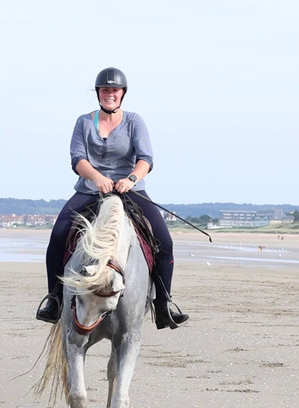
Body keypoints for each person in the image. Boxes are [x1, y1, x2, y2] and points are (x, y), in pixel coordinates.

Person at [36, 67, 189, 330]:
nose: (110, 94)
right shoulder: (84, 122)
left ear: (122, 94)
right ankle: (55, 299)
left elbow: (146, 159)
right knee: (58, 237)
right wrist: (97, 178)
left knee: (165, 241)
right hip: (89, 190)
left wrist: (130, 179)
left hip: (131, 190)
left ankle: (164, 305)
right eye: (105, 90)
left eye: (114, 90)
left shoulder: (134, 121)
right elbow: (78, 159)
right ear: (98, 93)